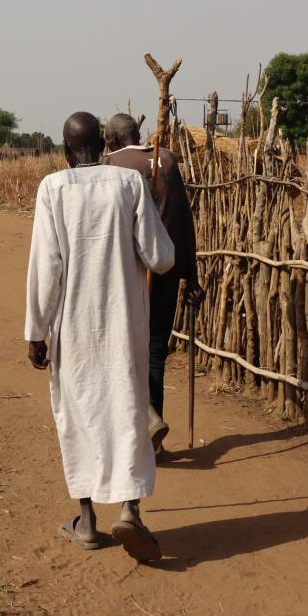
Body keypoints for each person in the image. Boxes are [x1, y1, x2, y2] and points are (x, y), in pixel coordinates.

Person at [25, 111, 174, 561]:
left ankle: (87, 522)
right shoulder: (127, 185)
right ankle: (130, 512)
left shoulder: (53, 188)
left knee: (79, 415)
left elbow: (45, 268)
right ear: (103, 148)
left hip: (72, 327)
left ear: (66, 152)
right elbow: (159, 256)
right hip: (123, 324)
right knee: (127, 412)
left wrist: (35, 331)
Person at [102, 113, 204, 452]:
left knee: (122, 349)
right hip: (166, 268)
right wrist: (191, 273)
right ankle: (152, 436)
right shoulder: (168, 159)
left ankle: (134, 432)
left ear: (113, 140)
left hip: (128, 271)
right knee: (155, 350)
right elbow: (183, 219)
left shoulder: (110, 163)